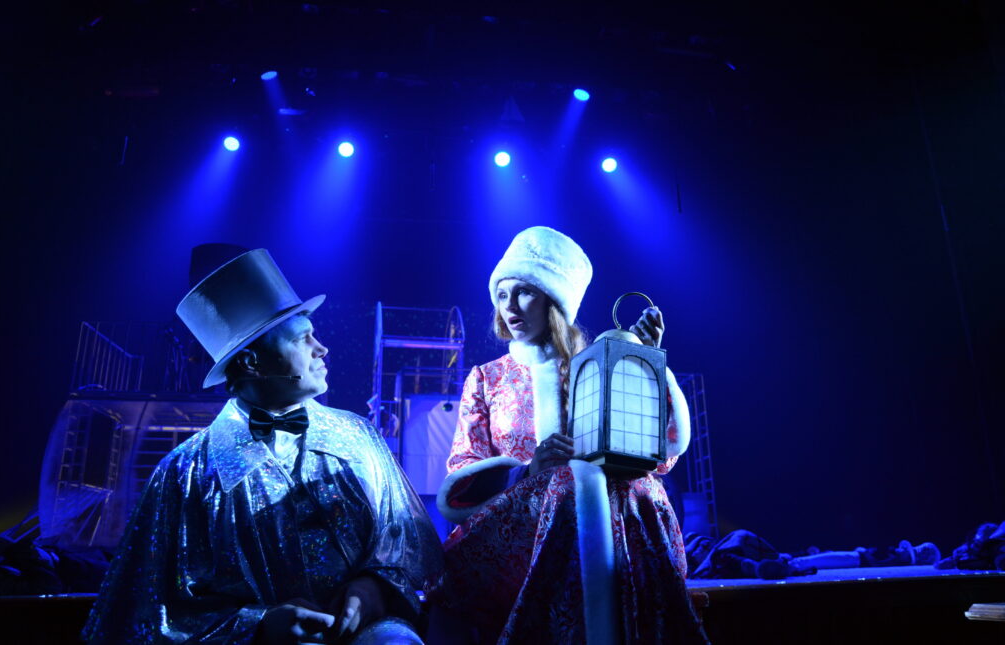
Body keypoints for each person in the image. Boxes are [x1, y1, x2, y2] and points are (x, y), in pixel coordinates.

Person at [83, 249, 442, 644]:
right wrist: (257, 626)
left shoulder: (358, 435)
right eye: (303, 339)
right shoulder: (183, 475)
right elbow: (146, 610)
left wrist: (374, 587)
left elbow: (408, 538)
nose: (321, 349)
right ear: (252, 361)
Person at [427, 227, 709, 644]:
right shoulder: (487, 379)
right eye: (502, 295)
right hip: (518, 518)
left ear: (554, 302)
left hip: (611, 507)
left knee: (632, 490)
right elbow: (462, 476)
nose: (510, 307)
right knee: (563, 487)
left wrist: (645, 364)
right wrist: (527, 471)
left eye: (525, 292)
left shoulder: (597, 365)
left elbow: (658, 456)